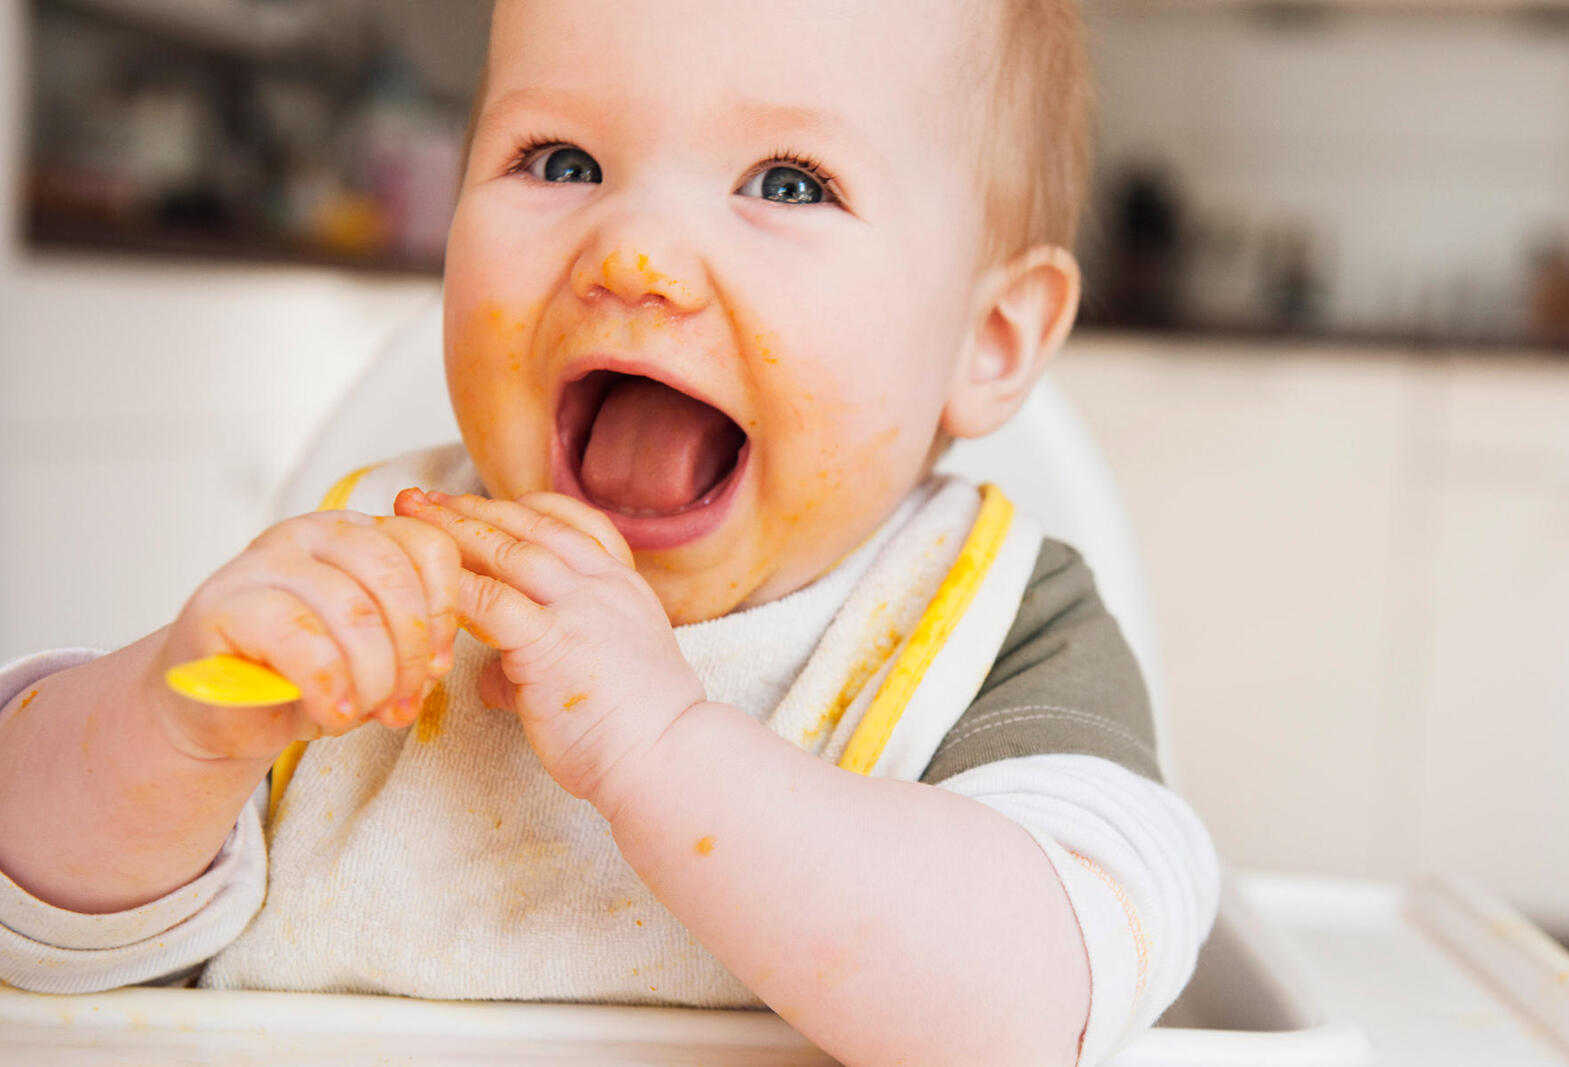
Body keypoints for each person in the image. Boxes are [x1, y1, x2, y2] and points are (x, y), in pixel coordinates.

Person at [0, 2, 1219, 1063]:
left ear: (988, 337)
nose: (633, 254)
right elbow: (39, 922)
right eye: (562, 158)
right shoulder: (372, 567)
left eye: (788, 182)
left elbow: (1029, 1006)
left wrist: (661, 747)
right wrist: (173, 729)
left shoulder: (992, 622)